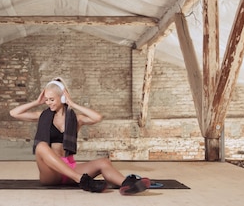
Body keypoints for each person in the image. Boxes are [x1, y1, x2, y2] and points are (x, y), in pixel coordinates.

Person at [9, 77, 150, 194]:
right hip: (51, 172)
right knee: (41, 146)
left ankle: (126, 185)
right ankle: (81, 180)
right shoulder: (42, 116)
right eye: (46, 99)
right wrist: (37, 102)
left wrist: (73, 104)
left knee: (104, 162)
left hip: (70, 167)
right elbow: (14, 113)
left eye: (52, 99)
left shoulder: (76, 119)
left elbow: (97, 117)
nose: (48, 103)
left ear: (63, 98)